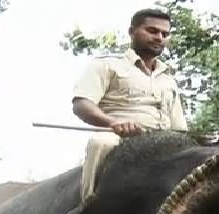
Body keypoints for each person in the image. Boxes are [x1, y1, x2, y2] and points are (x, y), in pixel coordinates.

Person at [71, 8, 188, 200]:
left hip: (165, 142)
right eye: (152, 31)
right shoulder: (107, 65)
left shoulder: (169, 80)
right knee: (100, 143)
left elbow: (180, 127)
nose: (159, 37)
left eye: (164, 34)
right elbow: (81, 104)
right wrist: (112, 123)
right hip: (119, 138)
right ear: (132, 31)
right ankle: (89, 205)